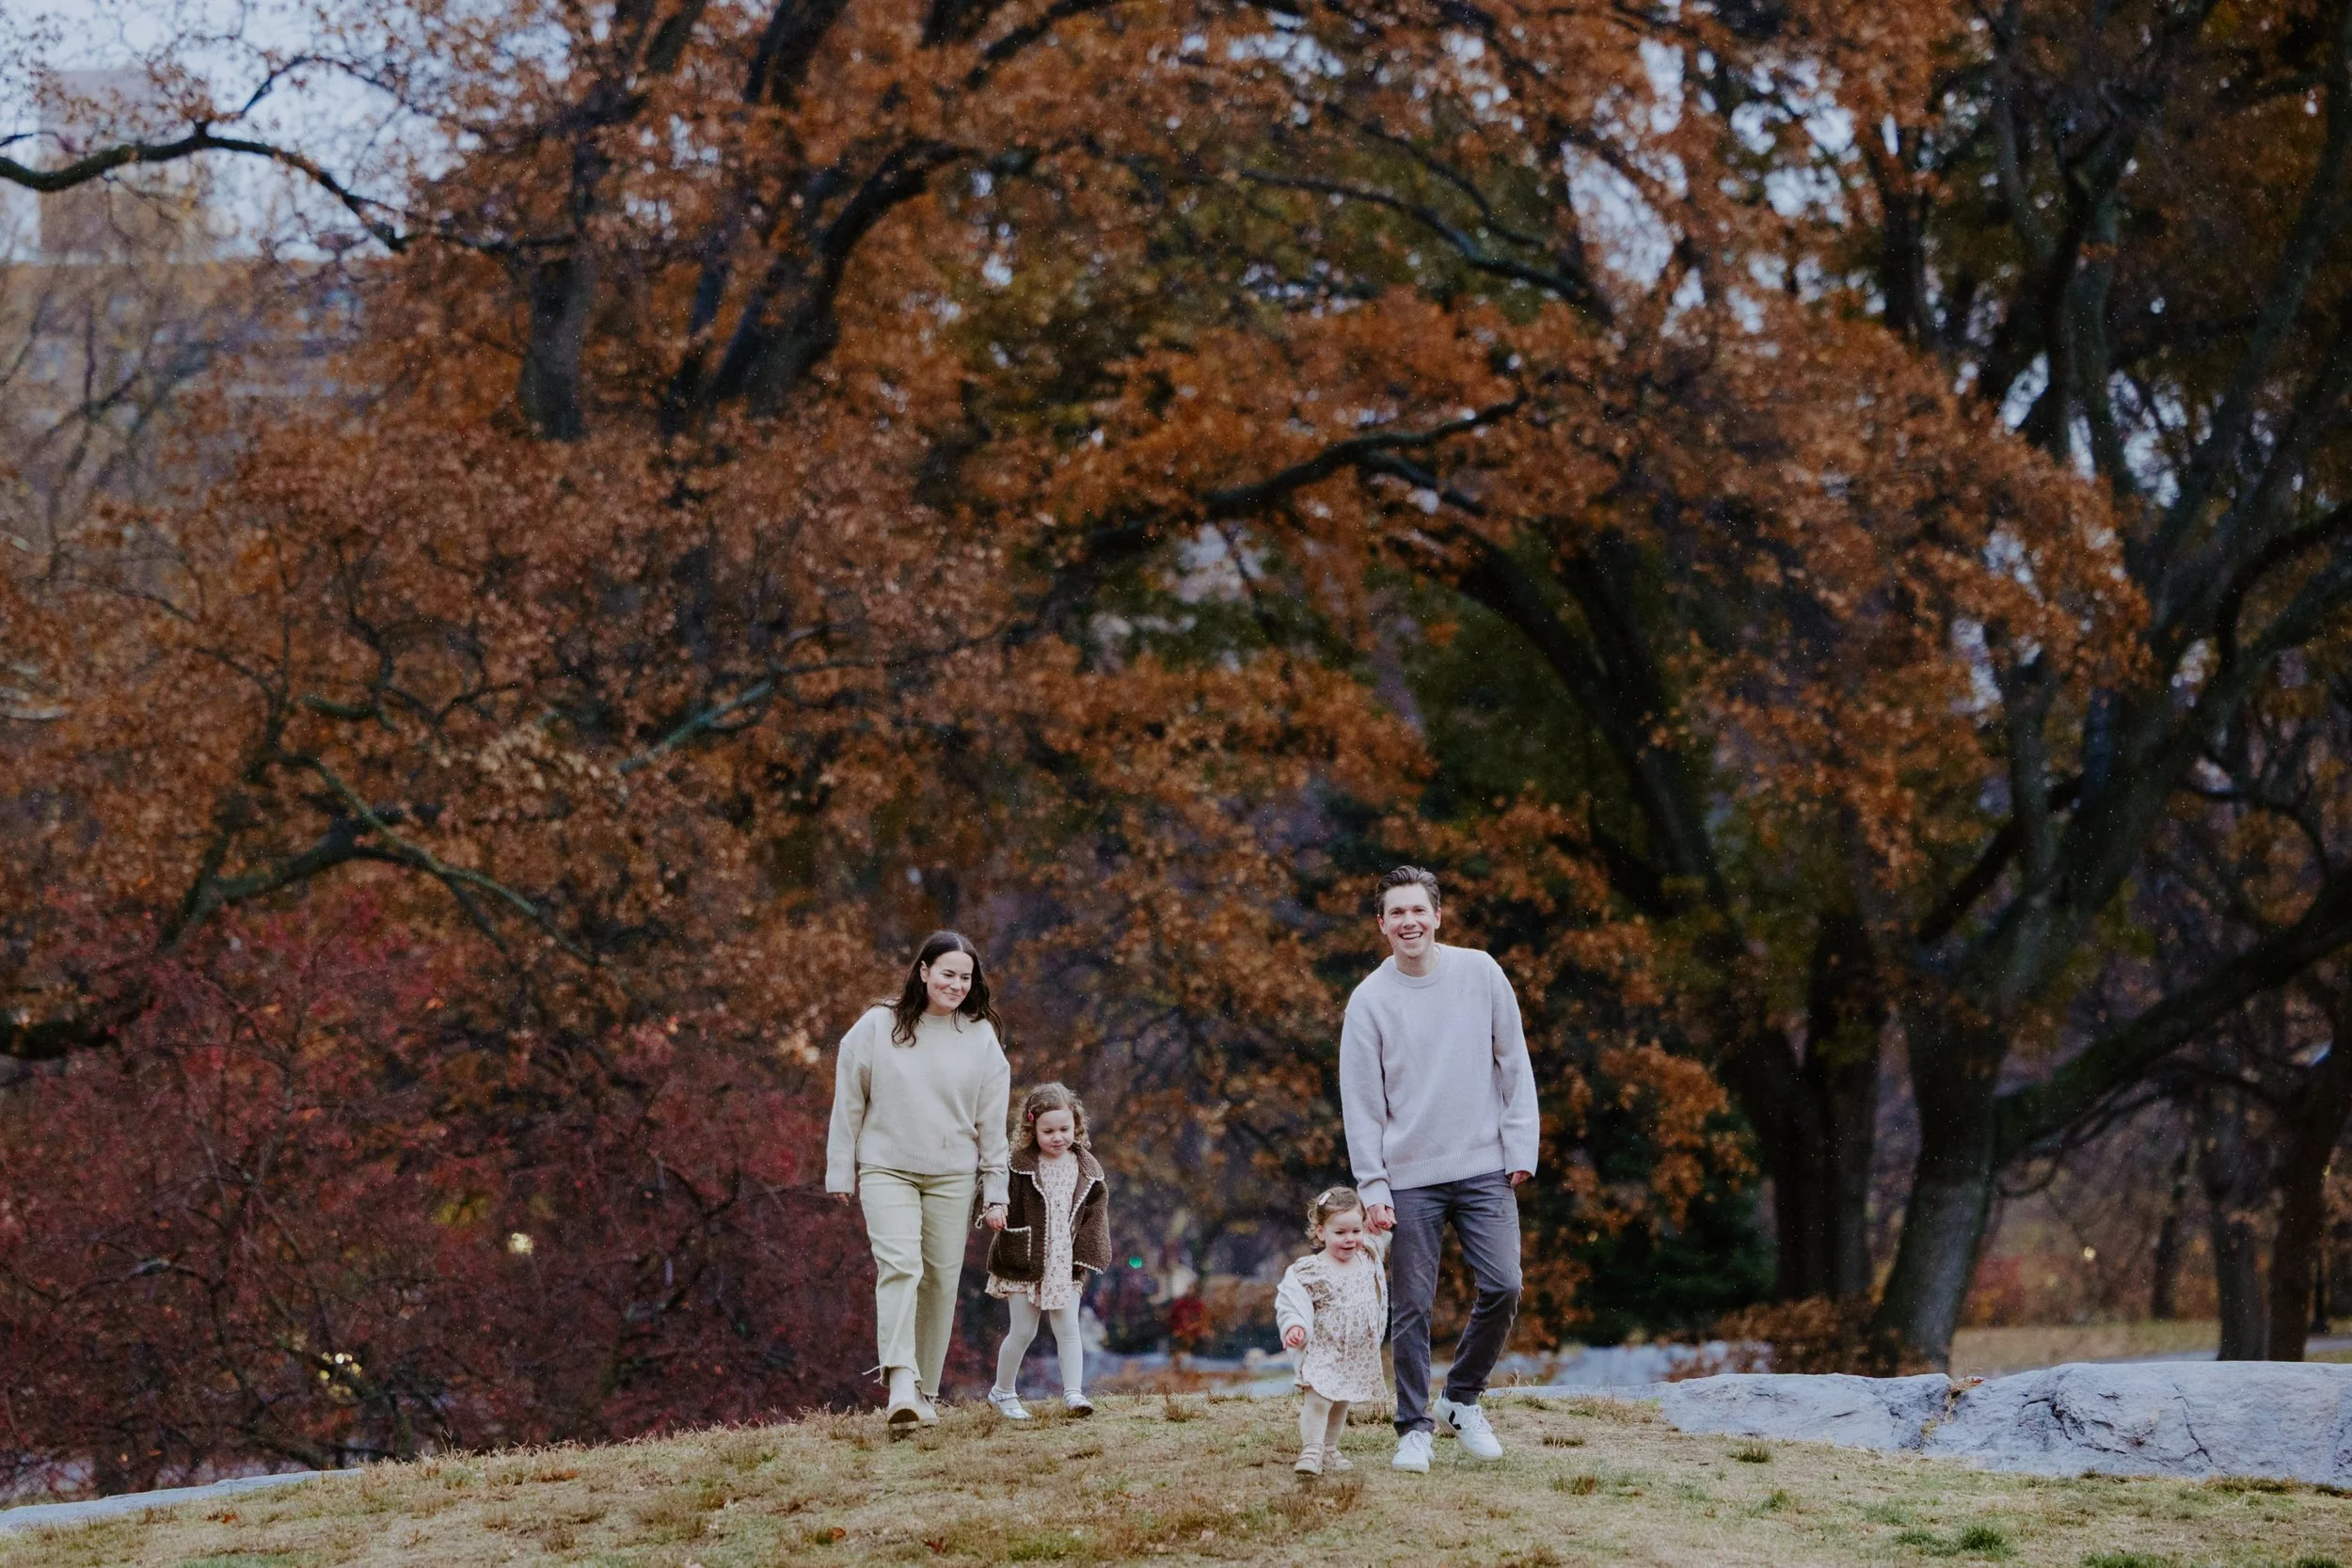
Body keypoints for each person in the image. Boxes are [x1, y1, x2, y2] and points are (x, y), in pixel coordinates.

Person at [1339, 865, 1538, 1473]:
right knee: (1413, 1306)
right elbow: (1362, 1104)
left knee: (1505, 1284)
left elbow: (1514, 1060)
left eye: (1418, 910)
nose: (1409, 922)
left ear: (1438, 915)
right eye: (1396, 912)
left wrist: (1520, 1145)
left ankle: (1460, 1398)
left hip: (1483, 1164)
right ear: (1381, 924)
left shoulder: (1480, 972)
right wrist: (1372, 1185)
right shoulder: (1369, 1000)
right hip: (1409, 1176)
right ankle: (1413, 1427)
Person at [827, 930, 1012, 1428]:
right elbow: (849, 1099)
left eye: (965, 977)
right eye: (947, 973)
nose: (955, 984)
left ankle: (924, 1395)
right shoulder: (878, 1025)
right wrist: (840, 1167)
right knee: (901, 1267)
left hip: (952, 1174)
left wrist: (995, 1191)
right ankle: (901, 1382)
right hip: (887, 1167)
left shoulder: (979, 1037)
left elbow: (992, 1123)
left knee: (940, 1282)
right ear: (924, 971)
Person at [983, 1082, 1111, 1419]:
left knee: (1069, 1329)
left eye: (1065, 1129)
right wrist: (993, 1207)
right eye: (1048, 1130)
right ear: (1032, 1128)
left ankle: (1073, 1394)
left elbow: (1095, 1216)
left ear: (1077, 1126)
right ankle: (1003, 1392)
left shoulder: (1087, 1169)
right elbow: (993, 1186)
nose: (1058, 1137)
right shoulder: (1019, 1164)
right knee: (1023, 1330)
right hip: (1023, 1258)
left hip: (1064, 1261)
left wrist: (1087, 1253)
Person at [1275, 1185, 1388, 1476]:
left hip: (1355, 1352)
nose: (1350, 1240)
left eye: (1356, 1231)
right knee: (1319, 1400)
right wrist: (1295, 1326)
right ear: (1321, 1231)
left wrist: (1383, 1214)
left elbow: (1382, 1232)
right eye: (1340, 1233)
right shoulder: (1311, 1269)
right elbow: (1290, 1301)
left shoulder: (1368, 1256)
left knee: (1341, 1401)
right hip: (1324, 1348)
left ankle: (1329, 1449)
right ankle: (1311, 1450)